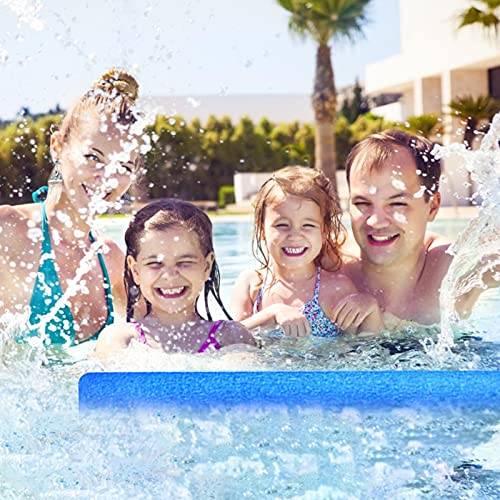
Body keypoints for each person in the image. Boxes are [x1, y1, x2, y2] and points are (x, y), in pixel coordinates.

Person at [0, 68, 144, 346]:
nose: (107, 178)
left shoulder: (112, 260)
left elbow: (159, 340)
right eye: (93, 157)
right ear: (58, 147)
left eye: (124, 166)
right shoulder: (8, 231)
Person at [343, 128, 498, 328]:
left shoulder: (453, 270)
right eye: (362, 203)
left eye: (397, 204)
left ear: (432, 206)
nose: (375, 222)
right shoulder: (328, 260)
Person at [230, 166, 383, 337]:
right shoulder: (252, 285)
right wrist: (271, 314)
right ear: (262, 230)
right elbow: (227, 340)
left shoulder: (335, 288)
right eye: (282, 225)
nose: (294, 236)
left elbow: (363, 348)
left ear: (324, 231)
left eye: (308, 225)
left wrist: (371, 308)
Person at [94, 199, 255, 358]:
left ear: (207, 266)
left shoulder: (230, 337)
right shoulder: (120, 340)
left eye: (185, 262)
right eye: (155, 264)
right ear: (135, 270)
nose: (170, 275)